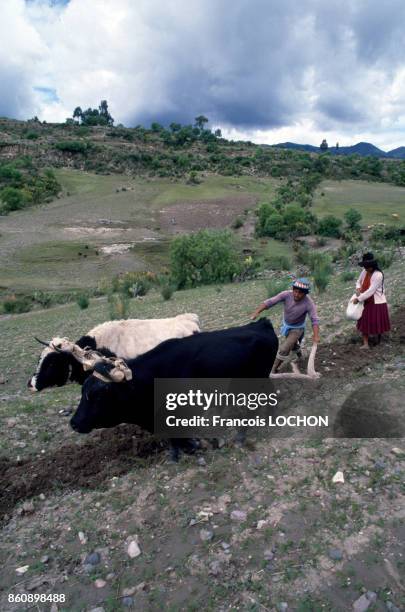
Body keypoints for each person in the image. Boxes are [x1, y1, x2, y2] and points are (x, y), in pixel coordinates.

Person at [250, 277, 320, 372]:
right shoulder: (286, 295)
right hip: (287, 325)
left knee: (284, 348)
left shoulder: (308, 303)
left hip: (298, 328)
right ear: (292, 289)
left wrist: (316, 336)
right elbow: (270, 302)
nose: (297, 294)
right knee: (293, 345)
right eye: (295, 291)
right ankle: (301, 356)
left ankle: (273, 369)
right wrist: (257, 311)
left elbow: (314, 319)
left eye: (300, 293)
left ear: (305, 293)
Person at [352, 252, 390, 349]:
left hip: (376, 302)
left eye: (367, 266)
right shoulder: (364, 271)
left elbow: (371, 291)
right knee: (364, 321)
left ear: (372, 265)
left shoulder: (378, 275)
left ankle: (378, 339)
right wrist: (358, 288)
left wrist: (358, 299)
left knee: (377, 321)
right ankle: (365, 343)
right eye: (364, 266)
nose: (365, 268)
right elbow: (358, 281)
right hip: (366, 300)